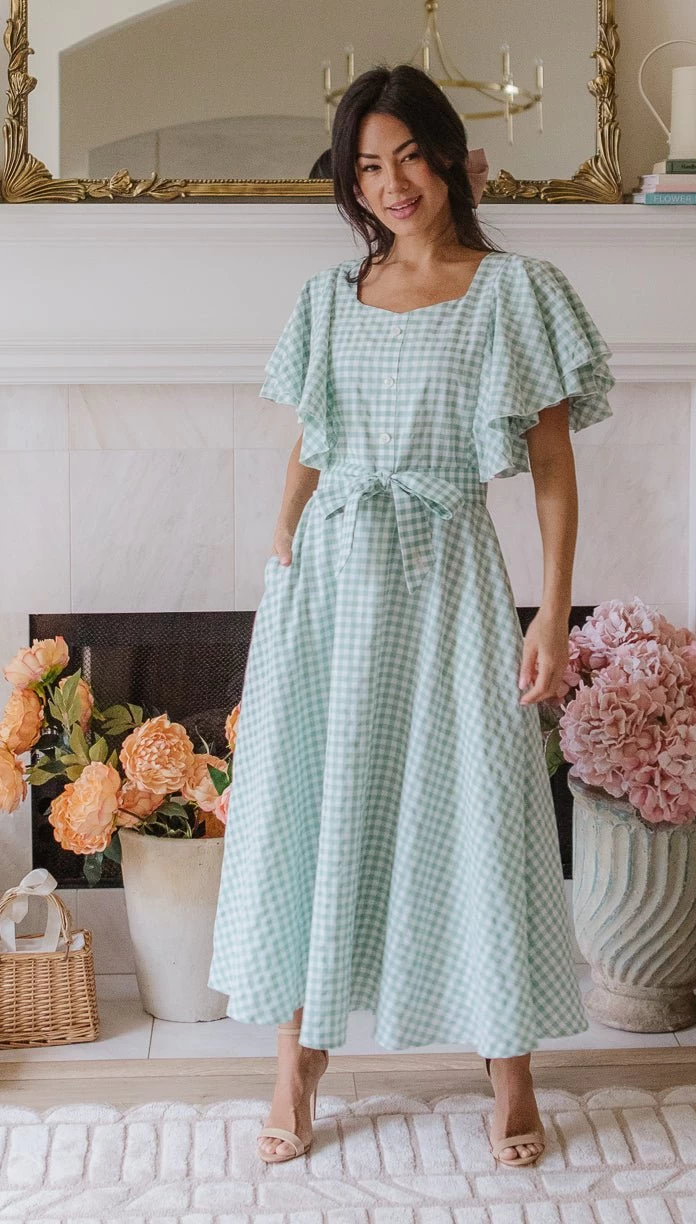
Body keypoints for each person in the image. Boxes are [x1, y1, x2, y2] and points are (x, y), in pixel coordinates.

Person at [208, 62, 615, 1170]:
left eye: (409, 159)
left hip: (447, 574)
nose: (391, 185)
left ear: (449, 160)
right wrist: (282, 535)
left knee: (479, 803)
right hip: (329, 582)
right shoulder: (327, 298)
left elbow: (551, 468)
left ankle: (510, 1066)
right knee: (312, 804)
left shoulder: (516, 292)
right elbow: (313, 434)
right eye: (367, 167)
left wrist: (552, 615)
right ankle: (297, 1059)